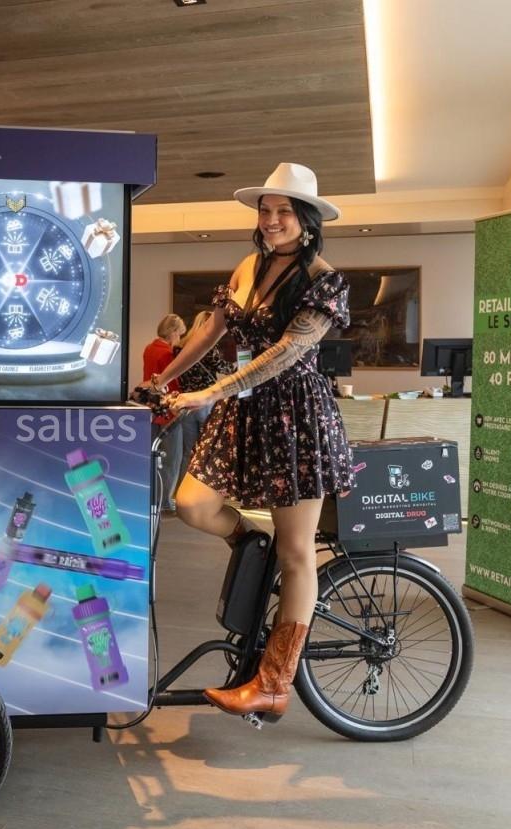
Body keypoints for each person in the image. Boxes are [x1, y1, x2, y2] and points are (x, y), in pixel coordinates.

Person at [143, 163, 354, 719]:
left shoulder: (324, 280)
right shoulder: (248, 265)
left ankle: (274, 684)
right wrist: (163, 381)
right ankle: (246, 539)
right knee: (191, 503)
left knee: (297, 552)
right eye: (266, 210)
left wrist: (212, 391)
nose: (272, 219)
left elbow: (286, 352)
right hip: (246, 411)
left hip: (296, 420)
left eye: (284, 211)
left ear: (307, 221)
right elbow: (211, 328)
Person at [173, 310, 234, 494]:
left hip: (185, 402)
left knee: (186, 452)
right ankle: (202, 492)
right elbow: (227, 368)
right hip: (204, 402)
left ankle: (181, 491)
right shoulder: (209, 349)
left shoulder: (179, 348)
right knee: (206, 451)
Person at [142, 314, 186, 514]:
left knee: (152, 458)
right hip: (168, 410)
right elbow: (173, 383)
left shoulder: (149, 349)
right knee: (171, 459)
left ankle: (151, 498)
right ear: (174, 332)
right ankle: (166, 502)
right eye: (179, 333)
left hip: (151, 408)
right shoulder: (168, 353)